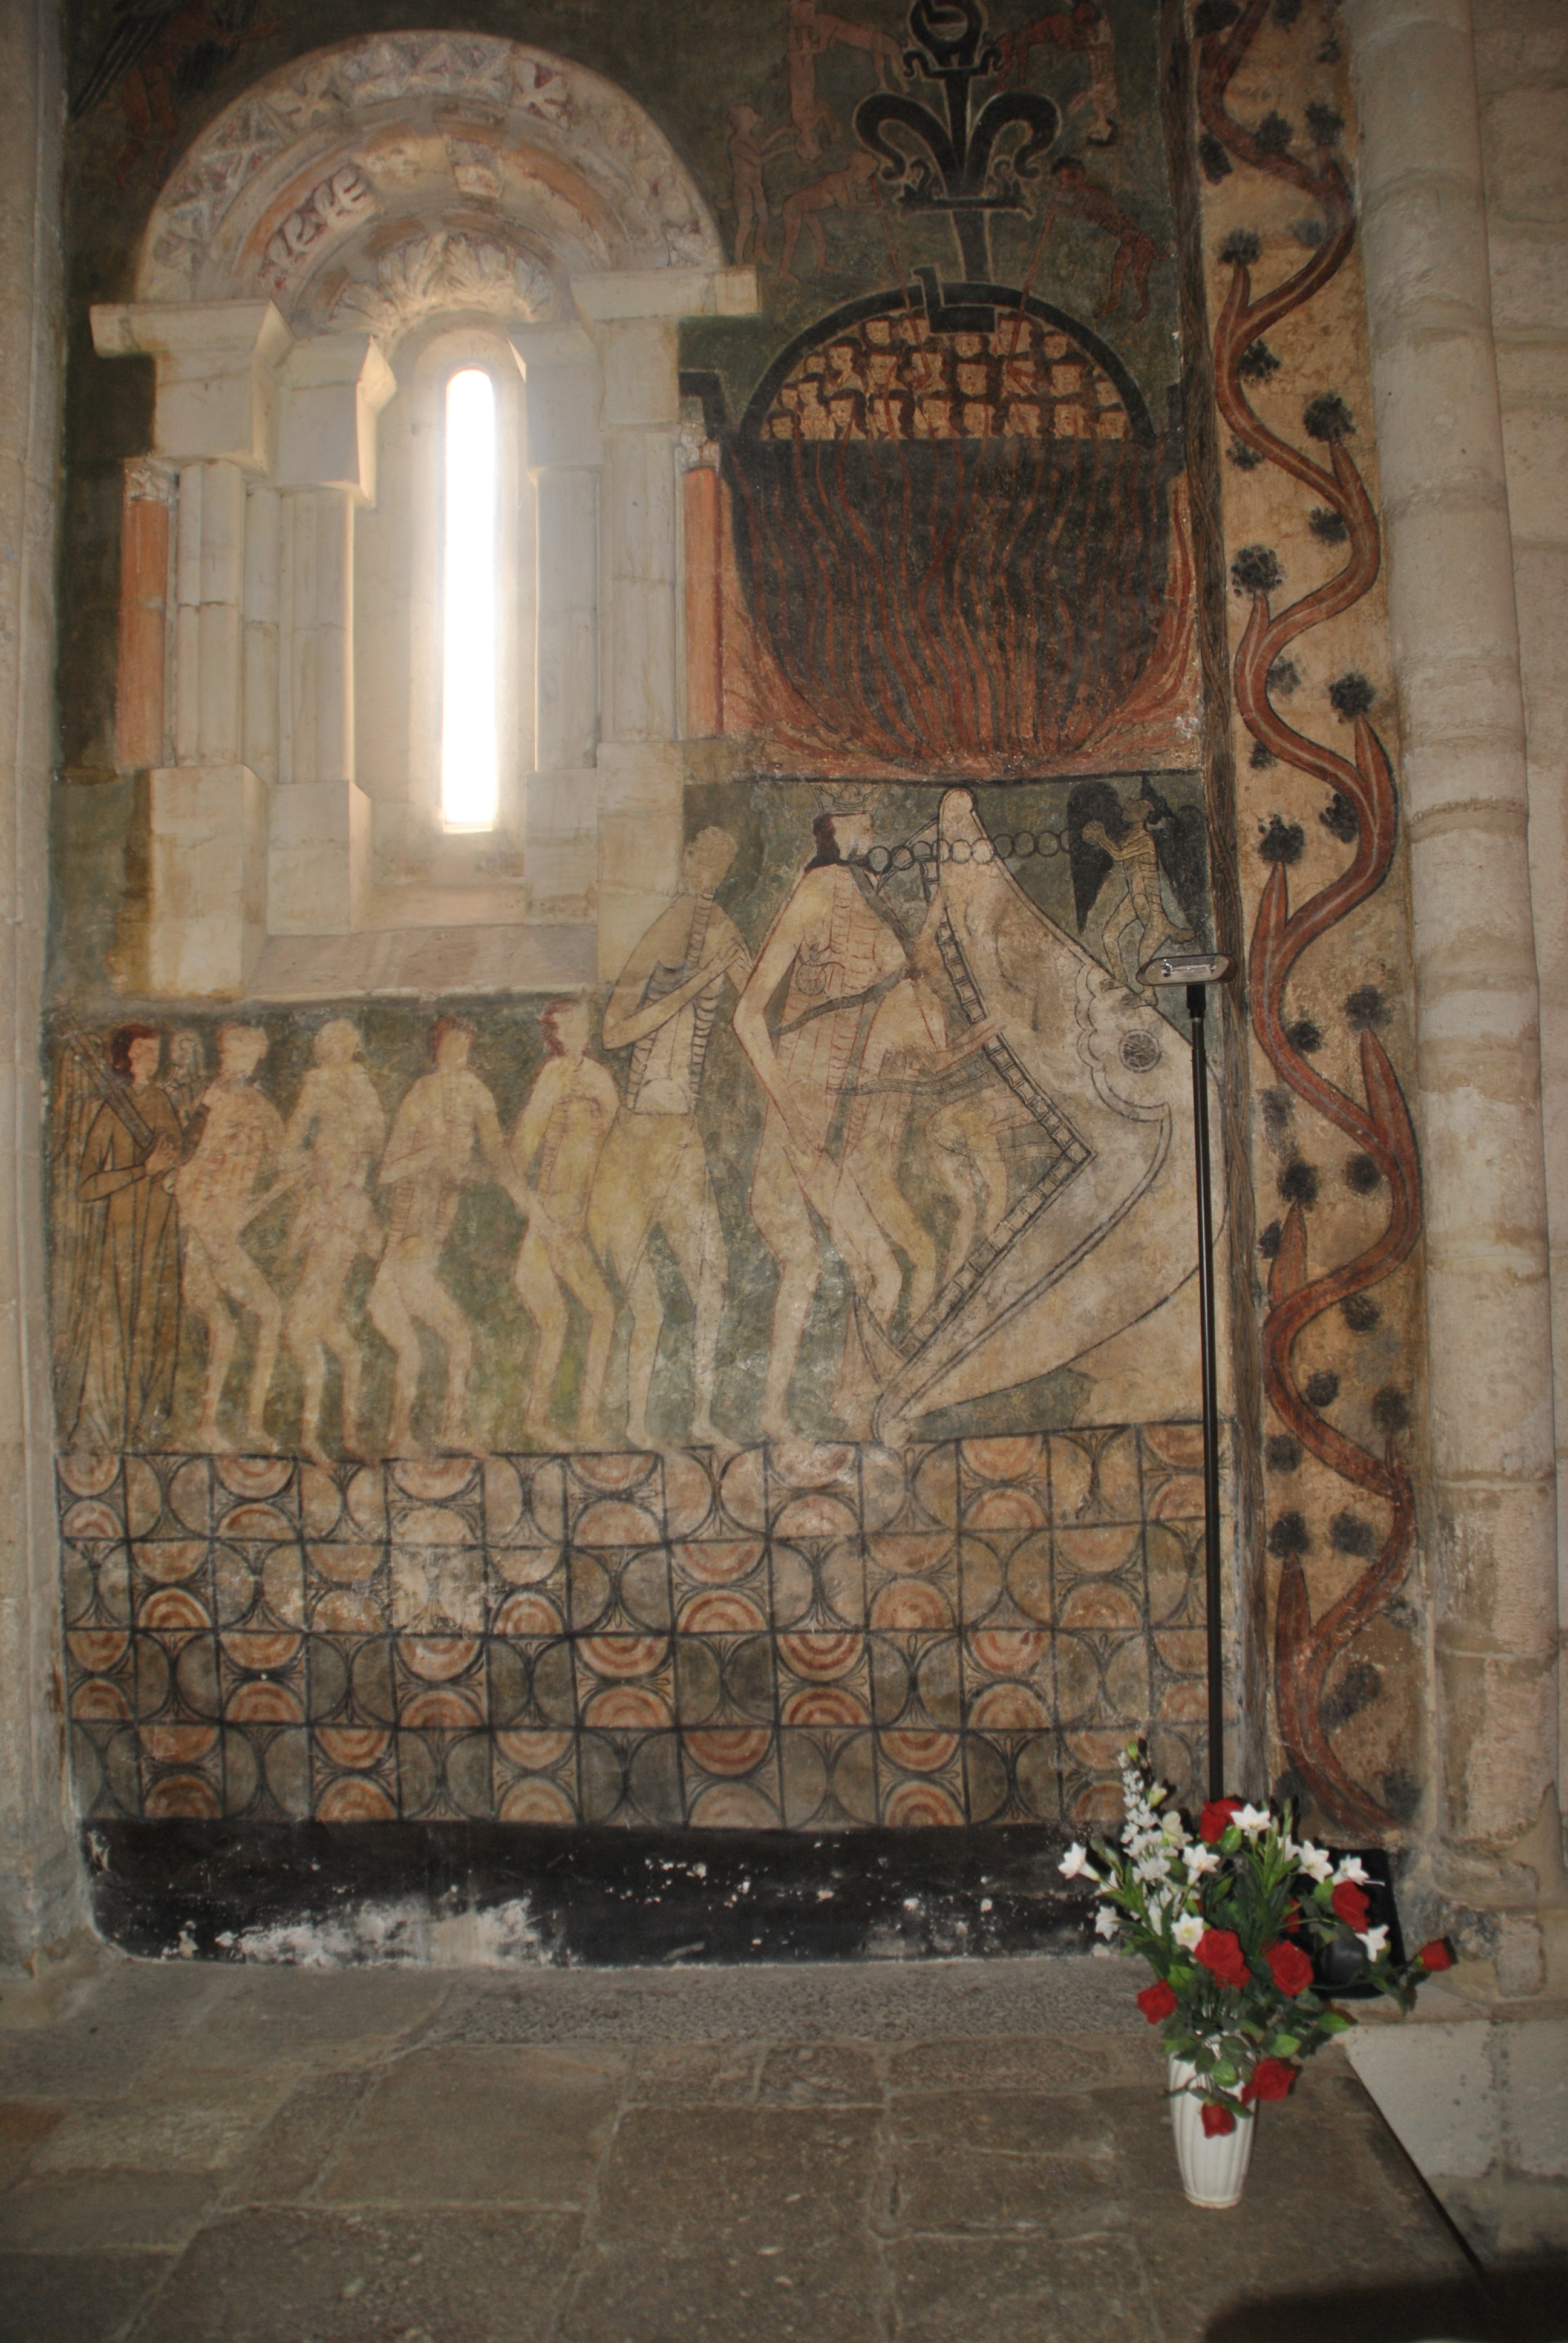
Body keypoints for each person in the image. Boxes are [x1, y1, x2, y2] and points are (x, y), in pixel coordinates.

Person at [731, 805, 910, 1437]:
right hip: (803, 1111)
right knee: (829, 1265)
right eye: (862, 820)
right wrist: (790, 1113)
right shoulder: (818, 889)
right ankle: (811, 1406)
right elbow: (747, 1016)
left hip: (839, 1118)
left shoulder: (871, 896)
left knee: (836, 1267)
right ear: (838, 832)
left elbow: (902, 975)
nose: (873, 826)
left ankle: (836, 1401)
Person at [589, 828, 751, 1448]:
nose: (713, 870)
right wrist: (695, 981)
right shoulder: (662, 927)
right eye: (704, 857)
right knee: (643, 1297)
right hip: (638, 1134)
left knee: (713, 1279)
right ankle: (631, 1424)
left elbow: (758, 998)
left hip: (682, 1130)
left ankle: (702, 1418)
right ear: (686, 858)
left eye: (723, 861)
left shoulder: (721, 927)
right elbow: (614, 1031)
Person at [367, 1017, 520, 1455]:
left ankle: (433, 1430)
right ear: (436, 1048)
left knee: (439, 1344)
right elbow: (388, 1171)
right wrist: (429, 1155)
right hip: (403, 1254)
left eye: (464, 1045)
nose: (457, 1053)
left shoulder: (476, 1093)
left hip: (425, 1249)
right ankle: (413, 1432)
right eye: (450, 1044)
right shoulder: (421, 1094)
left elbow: (494, 1162)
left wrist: (497, 1178)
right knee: (441, 1342)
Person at [61, 1023, 185, 1451]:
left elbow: (178, 1163)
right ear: (126, 1056)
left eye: (155, 1051)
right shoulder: (112, 1109)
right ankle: (118, 1429)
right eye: (143, 1051)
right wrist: (140, 1172)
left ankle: (152, 1427)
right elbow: (86, 1187)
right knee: (123, 1330)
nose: (152, 1058)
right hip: (124, 1237)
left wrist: (175, 1177)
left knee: (160, 1329)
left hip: (162, 1231)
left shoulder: (164, 1103)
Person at [510, 1000, 621, 1446]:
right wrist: (542, 1223)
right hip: (549, 1224)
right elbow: (514, 1164)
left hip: (575, 1223)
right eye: (565, 1025)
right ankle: (538, 1421)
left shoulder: (600, 1078)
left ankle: (585, 1423)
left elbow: (614, 1148)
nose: (576, 1030)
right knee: (557, 1320)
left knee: (599, 1314)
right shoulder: (553, 1078)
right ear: (554, 1034)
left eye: (579, 1022)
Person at [174, 1023, 286, 1451]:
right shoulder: (214, 1100)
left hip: (219, 1227)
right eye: (226, 1053)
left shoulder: (261, 1106)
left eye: (239, 1053)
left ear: (256, 1055)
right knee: (264, 1314)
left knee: (228, 1326)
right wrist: (207, 1223)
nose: (230, 1062)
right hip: (207, 1227)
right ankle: (243, 1424)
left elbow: (284, 1160)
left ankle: (228, 1424)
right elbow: (192, 1165)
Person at [279, 1020, 386, 1462]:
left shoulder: (357, 1207)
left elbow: (376, 1136)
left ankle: (347, 1437)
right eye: (332, 1045)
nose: (340, 1051)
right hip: (307, 1312)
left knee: (351, 1355)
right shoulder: (317, 1084)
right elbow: (292, 1141)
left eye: (346, 1044)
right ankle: (311, 1438)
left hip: (323, 1306)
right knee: (316, 1352)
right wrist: (306, 1165)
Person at [1048, 157, 1160, 320]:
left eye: (1063, 179)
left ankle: (1145, 307)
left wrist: (1061, 207)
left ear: (1076, 176)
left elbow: (1086, 215)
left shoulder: (1093, 195)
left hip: (1136, 238)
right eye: (1060, 181)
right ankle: (1114, 302)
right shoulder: (1081, 197)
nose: (1062, 185)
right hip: (1127, 239)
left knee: (1139, 276)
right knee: (1119, 268)